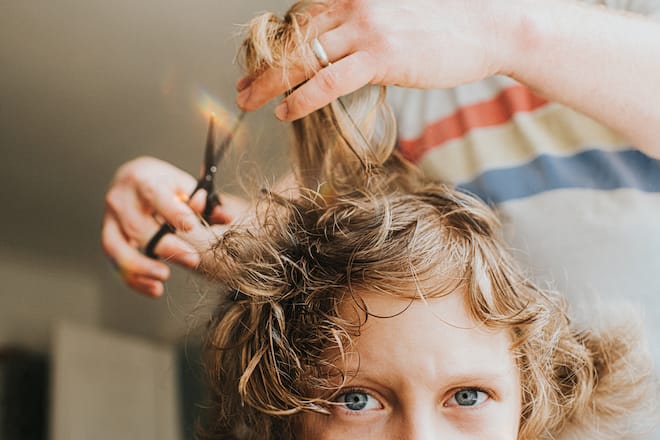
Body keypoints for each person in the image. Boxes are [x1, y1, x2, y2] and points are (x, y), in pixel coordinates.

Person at [101, 0, 660, 433]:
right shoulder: (385, 88)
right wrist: (181, 219)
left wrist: (501, 31)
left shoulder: (629, 21)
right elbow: (329, 263)